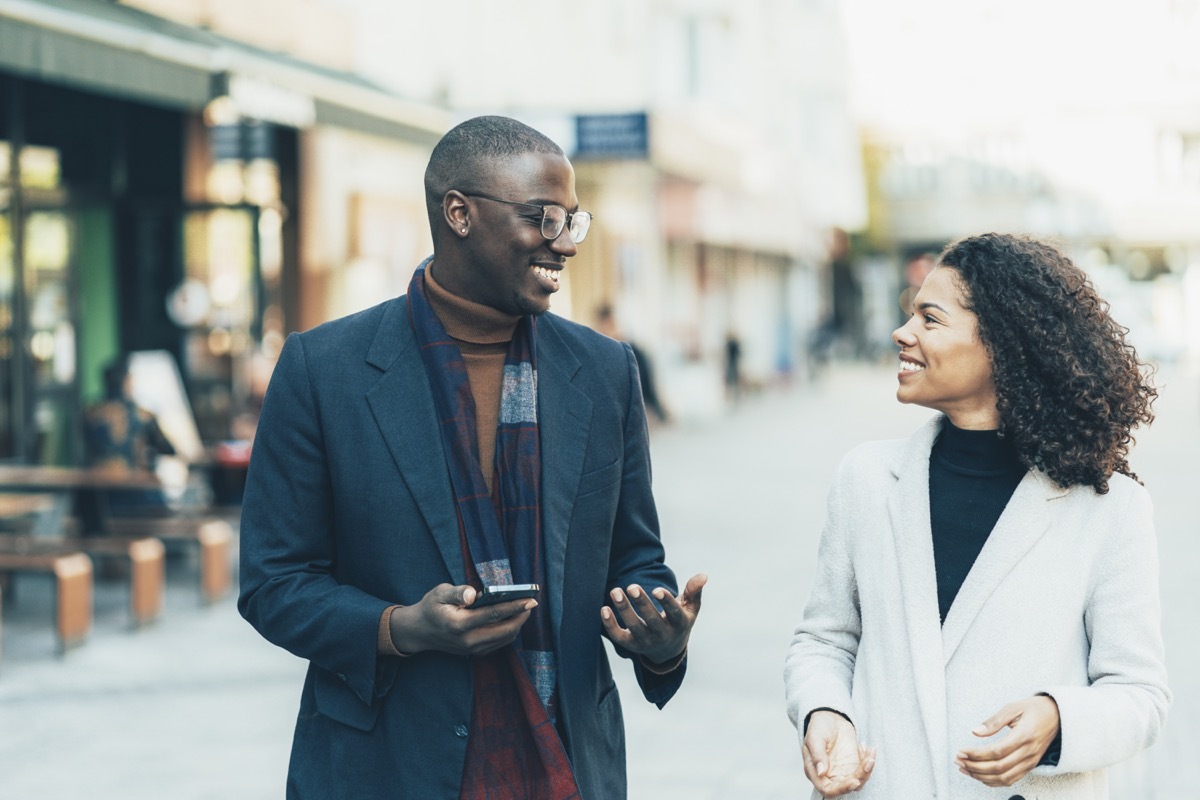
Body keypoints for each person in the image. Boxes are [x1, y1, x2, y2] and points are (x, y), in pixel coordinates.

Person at [238, 115, 706, 800]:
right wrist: (400, 629)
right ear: (458, 213)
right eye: (545, 219)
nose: (566, 244)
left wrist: (660, 636)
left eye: (574, 221)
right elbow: (274, 582)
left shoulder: (605, 371)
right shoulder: (324, 368)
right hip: (385, 767)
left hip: (565, 764)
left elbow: (633, 558)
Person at [784, 233, 1170, 799]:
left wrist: (1057, 719)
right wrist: (825, 713)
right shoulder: (864, 480)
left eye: (930, 319)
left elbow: (1140, 694)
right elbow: (824, 641)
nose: (902, 332)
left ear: (1001, 343)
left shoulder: (1109, 509)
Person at [594, 303, 669, 424]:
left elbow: (647, 383)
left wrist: (655, 408)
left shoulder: (632, 351)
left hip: (635, 410)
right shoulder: (598, 353)